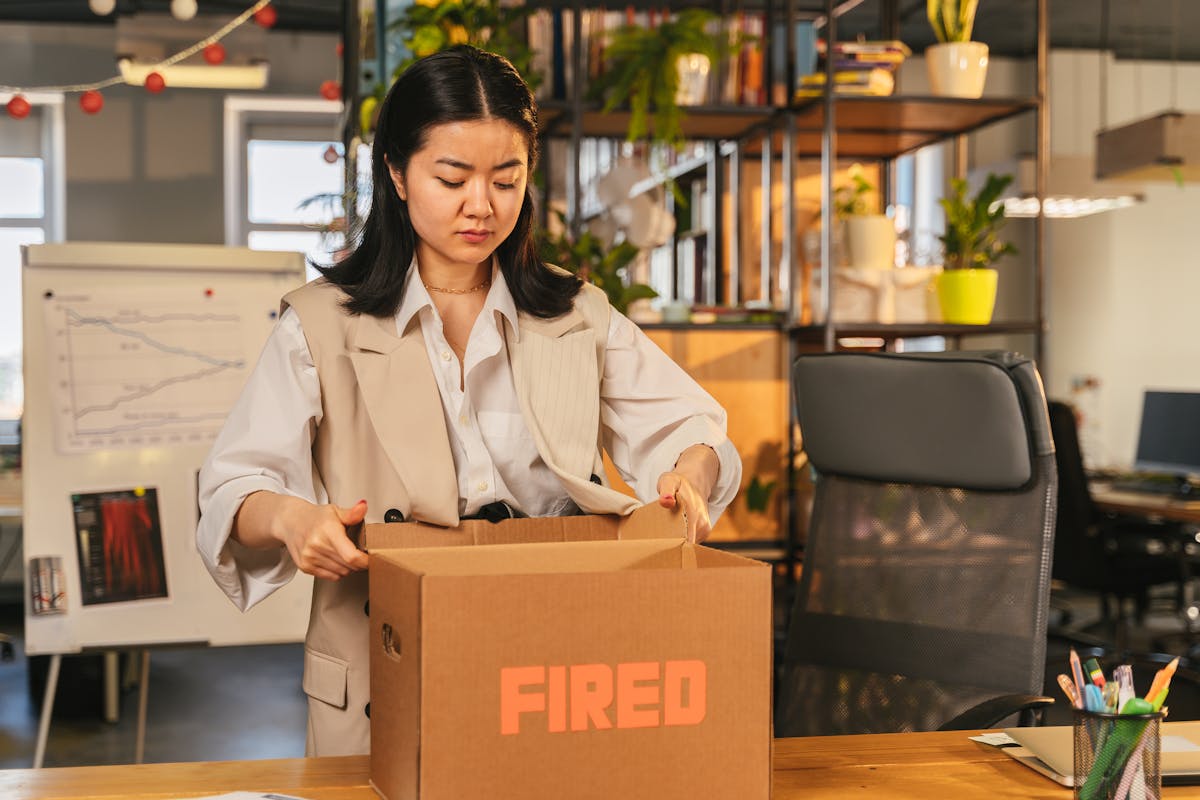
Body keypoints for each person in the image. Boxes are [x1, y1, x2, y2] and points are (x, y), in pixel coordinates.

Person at [196, 45, 741, 757]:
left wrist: (686, 477)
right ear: (395, 173)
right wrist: (295, 520)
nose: (481, 206)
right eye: (452, 178)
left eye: (505, 181)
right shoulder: (320, 323)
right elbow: (235, 483)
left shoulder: (576, 314)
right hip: (385, 652)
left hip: (561, 654)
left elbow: (690, 430)